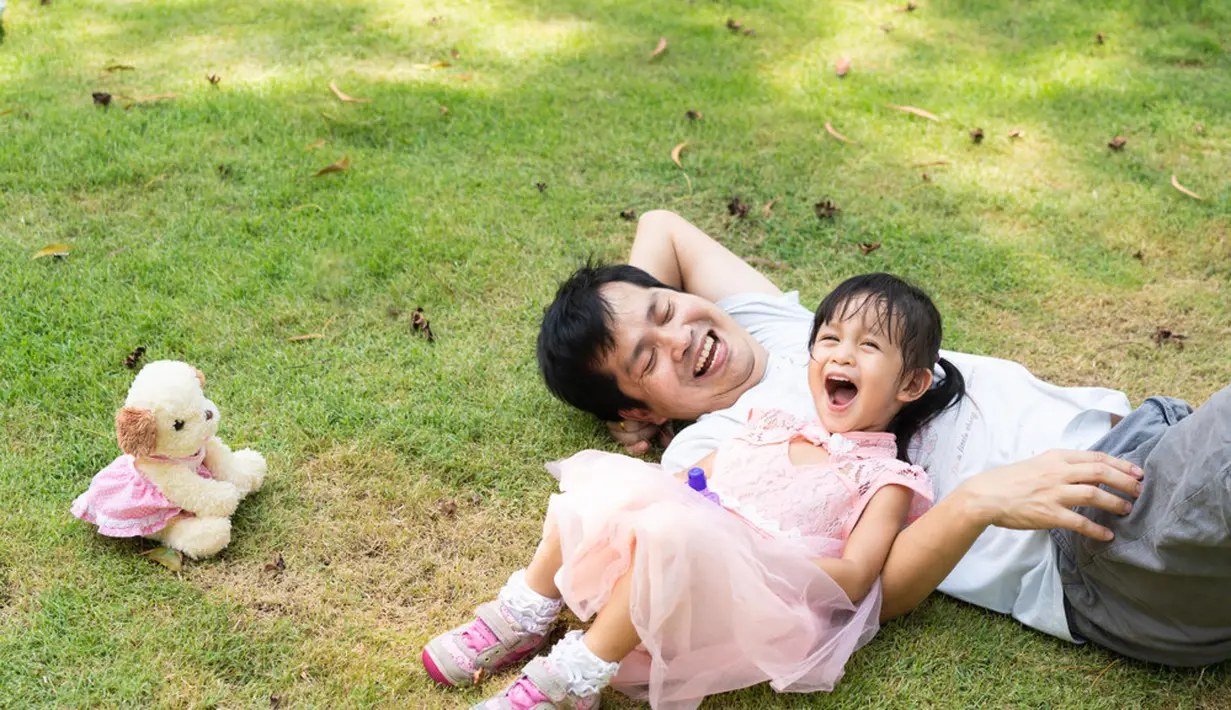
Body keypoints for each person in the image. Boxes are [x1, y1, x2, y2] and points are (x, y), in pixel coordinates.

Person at [534, 210, 1231, 667]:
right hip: (1097, 544)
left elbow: (663, 225)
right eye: (645, 362)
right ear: (638, 411)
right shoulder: (711, 452)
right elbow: (850, 593)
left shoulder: (780, 330)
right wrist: (978, 501)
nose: (681, 337)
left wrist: (630, 317)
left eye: (666, 309)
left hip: (1157, 438)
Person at [424, 274, 967, 710]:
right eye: (828, 340)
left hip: (756, 598)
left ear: (911, 384)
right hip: (679, 554)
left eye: (868, 347)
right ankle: (525, 612)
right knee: (607, 483)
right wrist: (670, 505)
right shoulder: (769, 423)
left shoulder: (887, 479)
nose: (841, 357)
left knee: (674, 528)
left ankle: (575, 676)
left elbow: (854, 579)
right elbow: (681, 484)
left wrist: (746, 550)